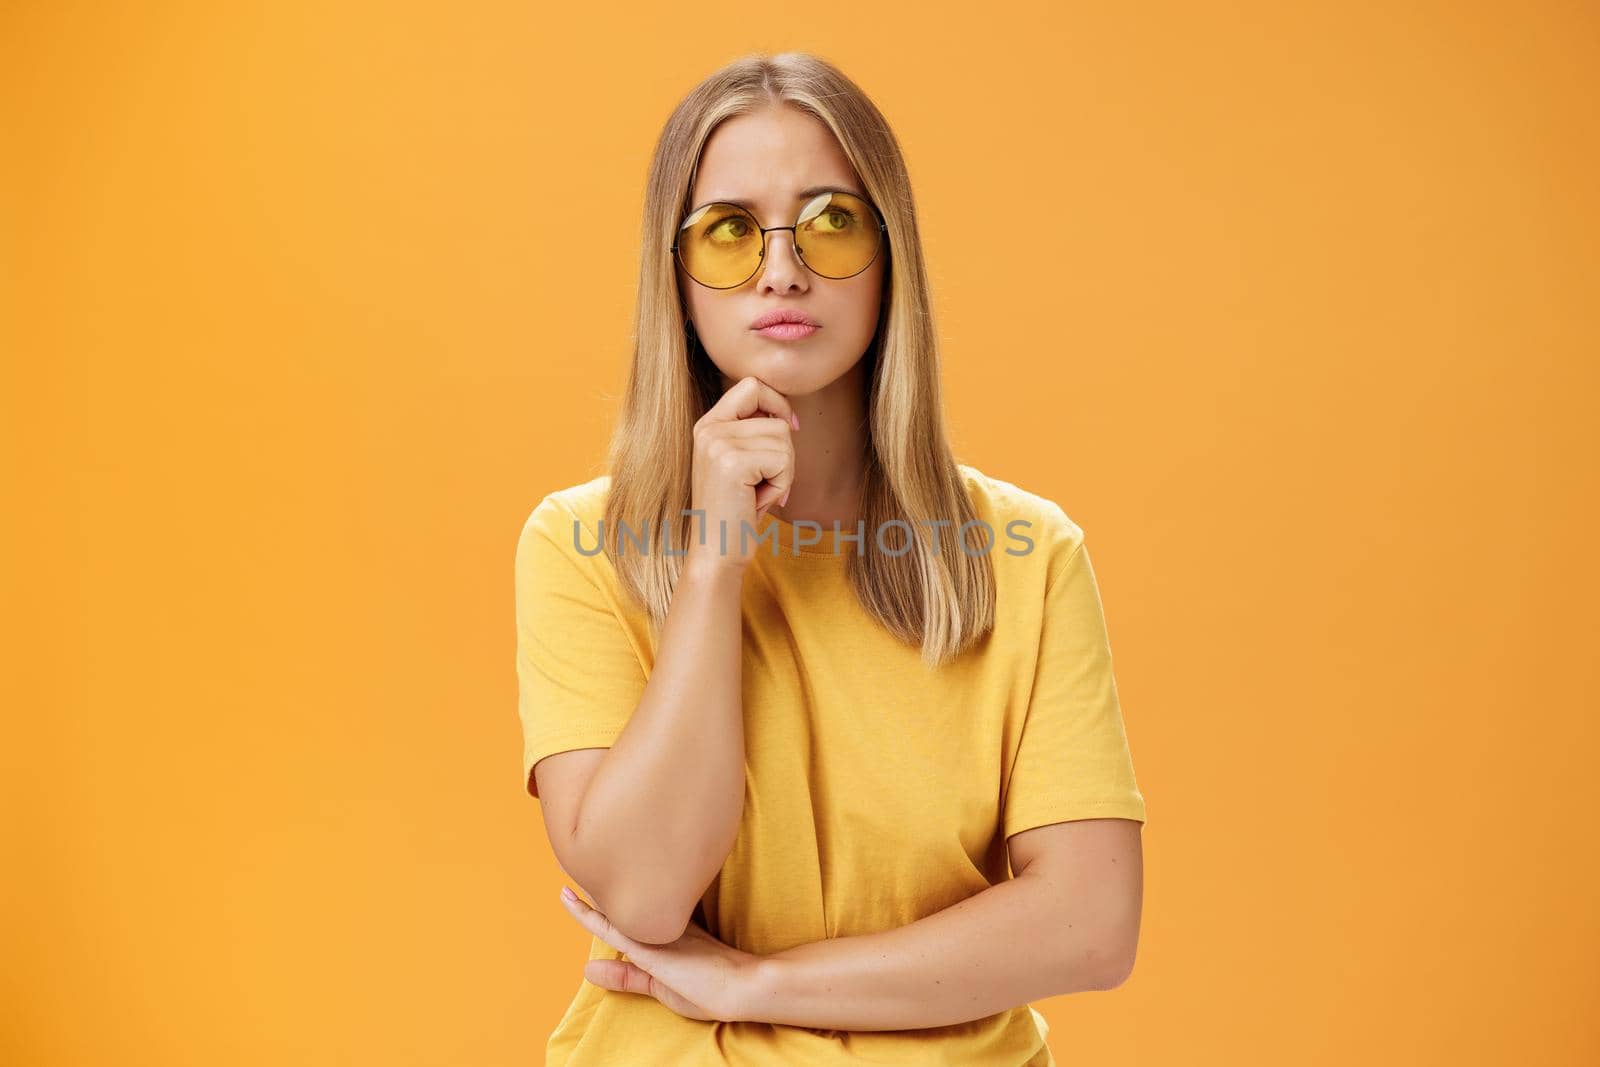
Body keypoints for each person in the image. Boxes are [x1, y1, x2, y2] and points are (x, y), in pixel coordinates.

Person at [514, 51, 1147, 1066]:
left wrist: (755, 983)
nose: (781, 268)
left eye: (831, 222)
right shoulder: (579, 546)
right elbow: (642, 888)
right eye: (728, 230)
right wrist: (715, 560)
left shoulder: (1027, 554)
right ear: (673, 278)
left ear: (891, 257)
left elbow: (1089, 921)